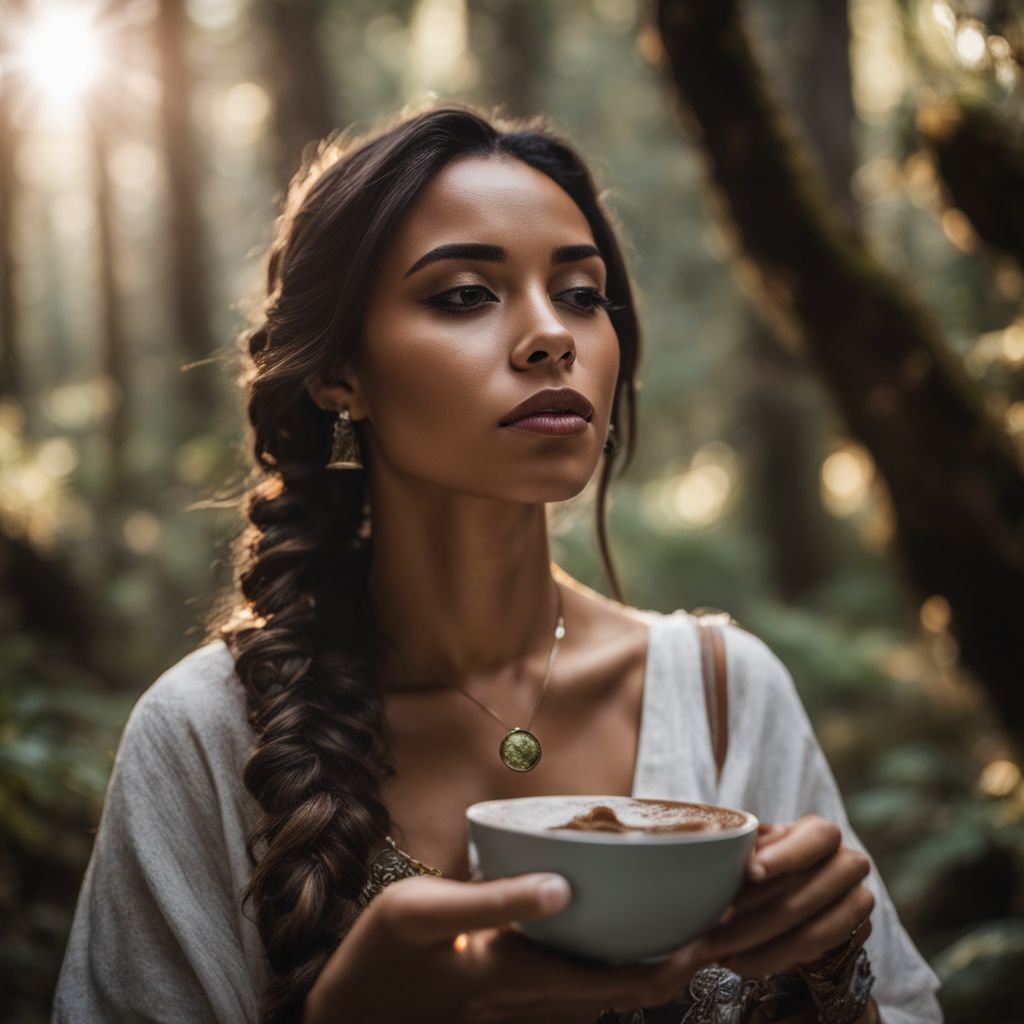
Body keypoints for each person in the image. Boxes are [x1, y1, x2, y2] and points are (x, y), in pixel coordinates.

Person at [53, 104, 943, 1024]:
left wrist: (837, 967)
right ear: (338, 375)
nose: (550, 335)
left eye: (582, 294)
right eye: (464, 296)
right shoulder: (204, 736)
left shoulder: (725, 697)